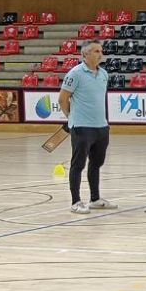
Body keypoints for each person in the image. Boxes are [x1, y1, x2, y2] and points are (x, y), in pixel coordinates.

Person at [59, 40, 115, 214]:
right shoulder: (74, 74)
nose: (100, 54)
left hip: (101, 127)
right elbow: (62, 99)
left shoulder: (104, 74)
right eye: (96, 51)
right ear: (85, 55)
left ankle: (95, 199)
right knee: (78, 165)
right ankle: (76, 202)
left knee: (96, 164)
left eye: (101, 50)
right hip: (82, 127)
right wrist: (71, 118)